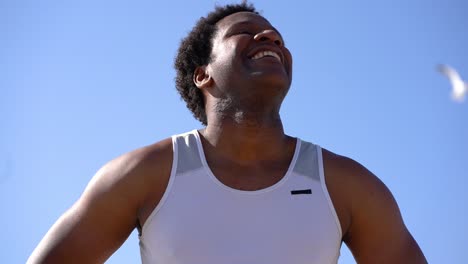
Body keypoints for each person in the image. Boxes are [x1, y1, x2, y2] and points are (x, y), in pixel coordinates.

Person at [28, 2, 427, 263]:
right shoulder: (143, 173)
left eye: (276, 37)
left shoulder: (349, 185)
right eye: (245, 31)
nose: (269, 37)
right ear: (203, 74)